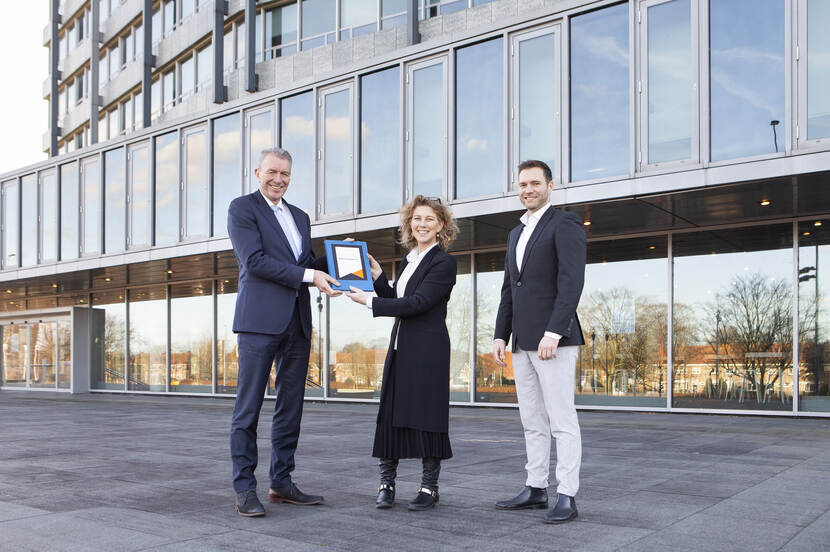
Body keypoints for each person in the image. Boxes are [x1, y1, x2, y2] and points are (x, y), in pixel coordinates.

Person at [227, 147, 341, 517]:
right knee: (248, 409)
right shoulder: (243, 209)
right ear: (257, 171)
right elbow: (255, 261)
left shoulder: (299, 216)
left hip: (296, 322)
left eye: (286, 174)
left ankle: (281, 482)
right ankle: (245, 488)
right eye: (273, 172)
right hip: (259, 323)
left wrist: (349, 264)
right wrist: (311, 276)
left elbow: (304, 264)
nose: (279, 179)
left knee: (291, 407)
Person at [345, 195, 458, 511]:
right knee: (391, 416)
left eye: (430, 219)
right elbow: (398, 299)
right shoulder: (409, 261)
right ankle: (386, 484)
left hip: (428, 351)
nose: (422, 224)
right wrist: (379, 278)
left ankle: (429, 488)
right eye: (417, 218)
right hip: (401, 347)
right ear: (410, 223)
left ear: (441, 226)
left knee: (427, 418)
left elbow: (418, 304)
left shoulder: (443, 263)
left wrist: (369, 301)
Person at [492, 160, 587, 524]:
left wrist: (554, 331)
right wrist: (502, 334)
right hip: (522, 341)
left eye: (534, 183)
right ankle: (535, 488)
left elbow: (571, 282)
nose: (527, 189)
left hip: (553, 341)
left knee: (561, 419)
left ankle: (567, 494)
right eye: (522, 184)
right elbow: (508, 289)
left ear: (550, 185)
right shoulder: (515, 233)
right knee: (532, 419)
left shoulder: (564, 223)